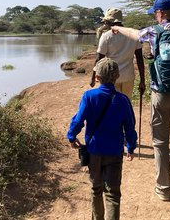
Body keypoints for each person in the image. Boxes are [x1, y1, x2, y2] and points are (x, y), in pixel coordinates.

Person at [111, 0, 170, 201]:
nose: (155, 16)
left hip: (159, 93)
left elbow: (134, 34)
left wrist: (117, 29)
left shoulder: (153, 32)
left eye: (155, 13)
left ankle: (163, 188)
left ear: (161, 13)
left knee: (160, 141)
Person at [67, 57, 137, 220]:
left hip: (94, 151)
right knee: (112, 194)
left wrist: (71, 136)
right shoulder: (123, 100)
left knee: (96, 189)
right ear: (117, 76)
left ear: (97, 77)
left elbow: (79, 120)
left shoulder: (89, 96)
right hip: (114, 152)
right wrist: (131, 147)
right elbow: (130, 127)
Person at [90, 7, 145, 101]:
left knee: (112, 106)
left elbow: (99, 58)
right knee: (126, 103)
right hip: (128, 76)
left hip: (110, 77)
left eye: (106, 22)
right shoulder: (134, 35)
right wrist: (142, 81)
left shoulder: (106, 36)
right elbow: (140, 59)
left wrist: (93, 77)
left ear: (110, 22)